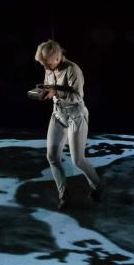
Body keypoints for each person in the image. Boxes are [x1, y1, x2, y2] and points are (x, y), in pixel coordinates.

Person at [34, 39, 103, 209]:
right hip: (58, 114)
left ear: (57, 58)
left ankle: (97, 185)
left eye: (48, 64)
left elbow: (77, 97)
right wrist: (44, 92)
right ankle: (63, 194)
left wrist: (56, 92)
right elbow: (50, 87)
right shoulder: (48, 68)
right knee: (52, 156)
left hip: (76, 115)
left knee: (78, 160)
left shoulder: (73, 70)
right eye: (43, 65)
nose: (46, 68)